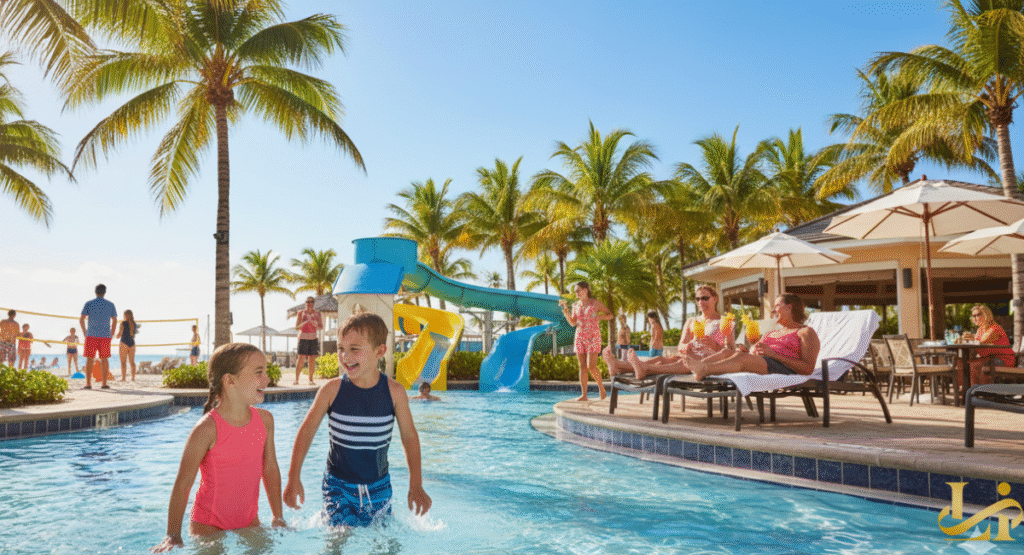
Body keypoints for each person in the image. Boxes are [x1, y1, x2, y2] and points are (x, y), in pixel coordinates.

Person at [284, 312, 431, 528]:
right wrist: (293, 477)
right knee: (338, 536)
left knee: (384, 541)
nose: (345, 356)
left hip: (379, 485)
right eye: (341, 349)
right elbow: (306, 431)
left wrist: (416, 484)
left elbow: (409, 437)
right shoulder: (331, 390)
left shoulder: (395, 392)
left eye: (354, 349)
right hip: (338, 484)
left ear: (379, 351)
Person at [151, 343, 285, 552]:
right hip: (208, 526)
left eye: (266, 372)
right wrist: (173, 535)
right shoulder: (206, 429)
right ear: (230, 381)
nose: (267, 379)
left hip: (249, 522)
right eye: (259, 372)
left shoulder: (265, 420)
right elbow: (183, 484)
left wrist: (278, 516)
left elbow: (270, 469)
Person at [605, 286, 735, 379]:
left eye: (705, 298)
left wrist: (715, 345)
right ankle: (618, 366)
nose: (701, 302)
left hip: (710, 361)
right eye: (698, 299)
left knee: (681, 363)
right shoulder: (692, 321)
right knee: (660, 359)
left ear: (715, 299)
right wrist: (685, 346)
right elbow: (681, 344)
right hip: (691, 354)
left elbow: (730, 350)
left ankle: (638, 368)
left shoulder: (725, 321)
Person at [686, 294, 820, 380]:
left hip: (782, 368)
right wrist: (747, 350)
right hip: (763, 361)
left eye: (777, 305)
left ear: (789, 307)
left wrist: (774, 355)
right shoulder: (771, 333)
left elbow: (808, 369)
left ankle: (704, 370)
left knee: (741, 358)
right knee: (726, 352)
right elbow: (752, 353)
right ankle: (699, 367)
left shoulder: (805, 332)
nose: (773, 310)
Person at [559, 281, 611, 401]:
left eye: (578, 290)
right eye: (575, 291)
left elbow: (610, 315)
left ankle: (601, 388)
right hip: (579, 336)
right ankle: (584, 395)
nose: (576, 293)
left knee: (591, 366)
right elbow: (572, 323)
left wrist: (599, 317)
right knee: (582, 366)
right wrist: (566, 311)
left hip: (593, 336)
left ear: (586, 290)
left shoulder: (595, 303)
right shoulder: (575, 305)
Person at [965, 304, 1015, 387]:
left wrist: (970, 339)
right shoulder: (980, 329)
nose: (975, 318)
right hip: (988, 358)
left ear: (986, 314)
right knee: (964, 363)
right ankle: (969, 390)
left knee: (976, 365)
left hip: (1003, 359)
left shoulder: (994, 328)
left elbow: (982, 342)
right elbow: (976, 346)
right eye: (974, 315)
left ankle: (984, 392)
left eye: (978, 314)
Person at [80, 283, 118, 389]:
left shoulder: (89, 303)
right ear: (105, 292)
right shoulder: (110, 304)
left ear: (95, 292)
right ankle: (104, 383)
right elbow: (115, 319)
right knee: (104, 359)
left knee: (89, 359)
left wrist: (84, 332)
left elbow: (81, 319)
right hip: (105, 335)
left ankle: (88, 384)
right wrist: (112, 332)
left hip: (91, 335)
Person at [293, 297, 324, 385]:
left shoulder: (317, 313)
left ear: (314, 303)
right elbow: (297, 327)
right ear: (305, 303)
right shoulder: (301, 313)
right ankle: (296, 379)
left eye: (311, 302)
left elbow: (320, 327)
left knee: (311, 360)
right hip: (303, 338)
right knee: (300, 359)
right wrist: (305, 322)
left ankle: (311, 380)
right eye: (308, 301)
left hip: (313, 339)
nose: (309, 303)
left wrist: (315, 324)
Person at [116, 309, 138, 381]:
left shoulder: (122, 323)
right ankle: (133, 378)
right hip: (132, 344)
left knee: (123, 363)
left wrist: (116, 336)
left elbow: (119, 334)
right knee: (132, 362)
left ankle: (123, 378)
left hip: (124, 343)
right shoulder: (134, 324)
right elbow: (134, 334)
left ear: (125, 315)